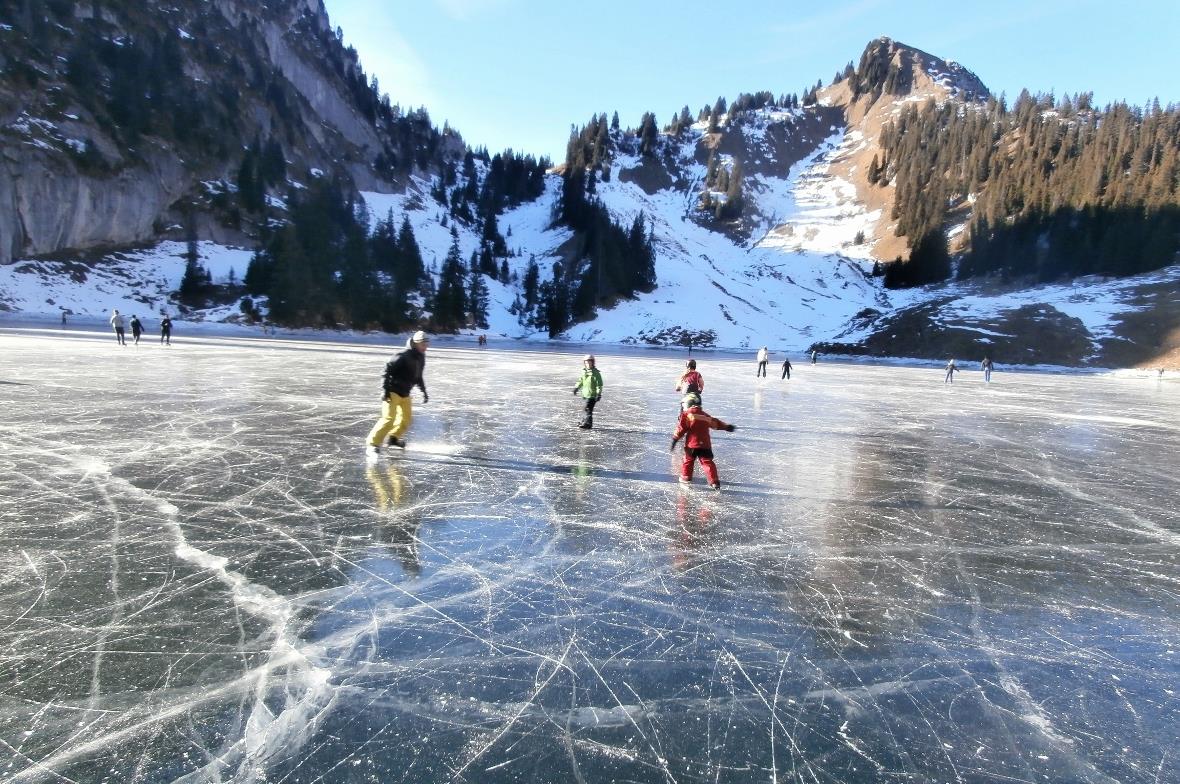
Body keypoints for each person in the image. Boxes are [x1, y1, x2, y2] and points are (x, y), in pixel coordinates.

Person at [366, 331, 430, 458]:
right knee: (389, 419)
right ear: (416, 343)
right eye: (423, 344)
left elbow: (418, 376)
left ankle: (393, 439)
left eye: (426, 343)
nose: (425, 346)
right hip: (392, 391)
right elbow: (387, 370)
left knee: (406, 419)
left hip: (405, 393)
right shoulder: (403, 355)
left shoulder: (421, 357)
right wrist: (385, 390)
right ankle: (372, 444)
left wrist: (423, 391)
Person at [671, 392, 735, 491]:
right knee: (707, 462)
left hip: (691, 445)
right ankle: (714, 481)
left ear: (688, 403)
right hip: (705, 445)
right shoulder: (705, 416)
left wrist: (675, 439)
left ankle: (686, 477)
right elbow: (716, 423)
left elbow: (681, 428)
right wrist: (727, 427)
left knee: (688, 461)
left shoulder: (687, 414)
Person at [572, 354, 603, 429]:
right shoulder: (584, 372)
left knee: (588, 409)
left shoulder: (596, 373)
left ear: (593, 363)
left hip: (593, 395)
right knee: (586, 409)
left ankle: (588, 424)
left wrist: (598, 394)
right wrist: (576, 387)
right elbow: (581, 381)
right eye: (586, 363)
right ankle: (585, 422)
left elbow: (599, 385)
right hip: (586, 394)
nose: (588, 364)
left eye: (589, 362)